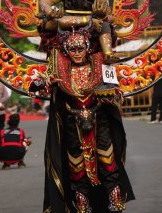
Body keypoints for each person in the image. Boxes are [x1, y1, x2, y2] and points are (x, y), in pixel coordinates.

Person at [29, 28, 134, 212]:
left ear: (87, 48)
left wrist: (113, 93)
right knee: (76, 165)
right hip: (72, 122)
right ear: (66, 50)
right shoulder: (59, 66)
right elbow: (37, 83)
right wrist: (43, 82)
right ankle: (82, 204)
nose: (76, 53)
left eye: (80, 49)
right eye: (72, 49)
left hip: (98, 120)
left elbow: (114, 87)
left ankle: (115, 200)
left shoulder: (101, 62)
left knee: (107, 160)